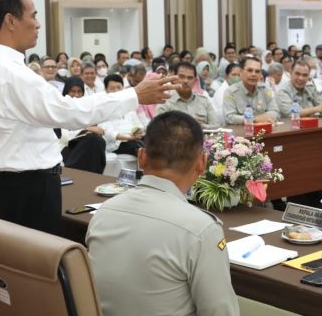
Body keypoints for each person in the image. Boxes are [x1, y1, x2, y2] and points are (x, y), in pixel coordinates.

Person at [0, 0, 175, 234]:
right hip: (26, 190)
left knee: (11, 267)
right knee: (36, 267)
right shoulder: (11, 73)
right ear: (10, 21)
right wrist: (135, 94)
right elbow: (69, 112)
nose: (38, 24)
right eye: (33, 15)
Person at [86, 111, 239, 316]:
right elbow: (220, 312)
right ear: (202, 162)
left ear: (141, 157)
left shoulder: (104, 212)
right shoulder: (201, 229)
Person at [56, 76, 108, 174]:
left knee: (97, 140)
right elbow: (63, 136)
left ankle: (95, 177)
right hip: (67, 147)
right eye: (73, 91)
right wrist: (86, 129)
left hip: (86, 144)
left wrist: (91, 130)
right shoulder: (60, 109)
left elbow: (100, 130)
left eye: (79, 92)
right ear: (66, 92)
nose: (76, 95)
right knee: (92, 139)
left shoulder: (87, 110)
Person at [156, 62, 218, 128]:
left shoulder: (204, 101)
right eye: (181, 76)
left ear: (195, 81)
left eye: (190, 78)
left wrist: (202, 126)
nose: (185, 81)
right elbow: (157, 127)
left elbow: (216, 126)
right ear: (174, 79)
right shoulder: (165, 102)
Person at [224, 56, 279, 124]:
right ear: (241, 72)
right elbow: (230, 117)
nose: (254, 74)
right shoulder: (230, 92)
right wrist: (254, 119)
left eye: (257, 71)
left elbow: (275, 111)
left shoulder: (264, 89)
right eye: (250, 70)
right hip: (242, 132)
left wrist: (264, 117)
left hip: (264, 131)